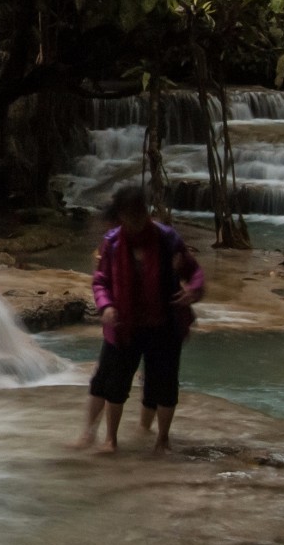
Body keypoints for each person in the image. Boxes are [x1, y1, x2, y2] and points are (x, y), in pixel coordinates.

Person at [71, 184, 204, 454]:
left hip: (164, 323)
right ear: (121, 216)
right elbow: (101, 281)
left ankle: (162, 440)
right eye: (132, 214)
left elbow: (194, 272)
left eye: (141, 212)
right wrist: (106, 306)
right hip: (124, 324)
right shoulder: (112, 243)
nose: (138, 219)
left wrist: (192, 291)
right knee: (112, 384)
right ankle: (109, 440)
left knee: (164, 385)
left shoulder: (167, 239)